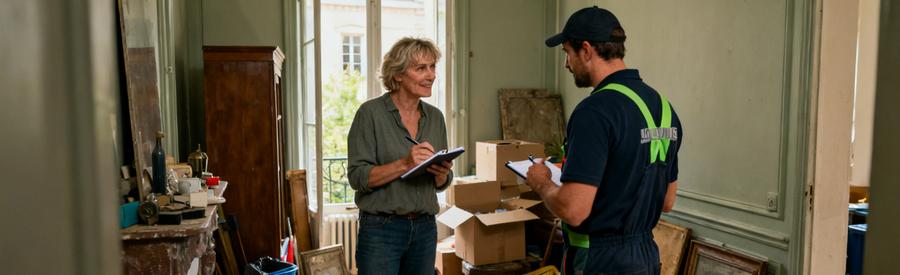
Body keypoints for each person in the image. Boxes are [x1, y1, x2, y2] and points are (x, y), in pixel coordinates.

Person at [525, 6, 683, 275]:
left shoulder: (594, 111)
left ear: (586, 50)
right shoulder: (664, 109)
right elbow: (667, 201)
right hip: (645, 256)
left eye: (567, 53)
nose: (566, 64)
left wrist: (542, 182)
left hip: (600, 259)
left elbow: (573, 210)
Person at [347, 37, 453, 275]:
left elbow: (441, 183)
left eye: (433, 66)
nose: (432, 75)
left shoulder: (436, 118)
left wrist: (441, 175)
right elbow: (357, 177)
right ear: (398, 75)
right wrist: (405, 163)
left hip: (425, 228)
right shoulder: (370, 114)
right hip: (381, 230)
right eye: (421, 68)